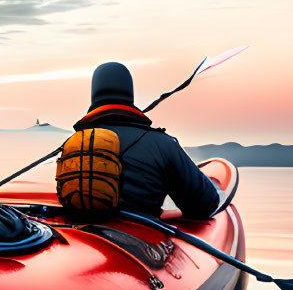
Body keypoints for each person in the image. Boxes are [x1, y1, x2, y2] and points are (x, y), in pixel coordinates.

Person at [73, 61, 219, 219]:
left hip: (84, 237)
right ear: (130, 93)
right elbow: (204, 205)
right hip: (143, 240)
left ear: (94, 94)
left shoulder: (73, 145)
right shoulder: (162, 144)